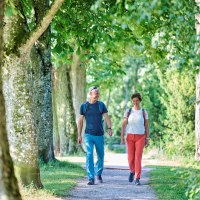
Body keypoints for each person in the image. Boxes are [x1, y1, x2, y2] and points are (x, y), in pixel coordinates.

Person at [78, 86, 112, 185]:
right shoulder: (84, 106)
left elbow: (106, 117)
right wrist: (79, 135)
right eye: (95, 93)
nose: (97, 94)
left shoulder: (101, 105)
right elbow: (80, 121)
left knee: (100, 155)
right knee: (89, 155)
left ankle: (99, 173)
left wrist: (109, 128)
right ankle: (91, 177)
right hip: (88, 134)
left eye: (98, 93)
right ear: (90, 94)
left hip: (99, 135)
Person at [121, 93, 149, 186]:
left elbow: (146, 126)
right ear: (132, 101)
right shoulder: (128, 111)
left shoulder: (143, 112)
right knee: (130, 158)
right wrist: (122, 137)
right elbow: (124, 125)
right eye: (134, 101)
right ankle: (132, 171)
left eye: (137, 100)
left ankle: (137, 178)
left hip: (140, 137)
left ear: (140, 100)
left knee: (138, 158)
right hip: (130, 137)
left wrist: (147, 138)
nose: (135, 102)